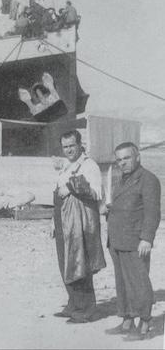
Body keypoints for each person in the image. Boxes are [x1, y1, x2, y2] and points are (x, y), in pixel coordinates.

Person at [105, 142, 161, 341]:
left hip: (135, 241)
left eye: (126, 158)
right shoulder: (122, 179)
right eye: (119, 159)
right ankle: (127, 319)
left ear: (137, 157)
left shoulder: (148, 180)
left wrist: (147, 238)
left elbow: (153, 213)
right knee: (122, 283)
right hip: (117, 239)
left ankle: (144, 323)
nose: (122, 163)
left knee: (138, 283)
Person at [52, 130, 106, 323]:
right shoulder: (66, 166)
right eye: (65, 147)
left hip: (80, 222)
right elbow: (58, 195)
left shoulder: (89, 165)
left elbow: (97, 193)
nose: (68, 150)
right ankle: (73, 304)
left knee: (80, 263)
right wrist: (54, 221)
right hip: (62, 220)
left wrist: (74, 187)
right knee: (65, 262)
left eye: (72, 146)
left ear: (80, 144)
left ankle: (86, 309)